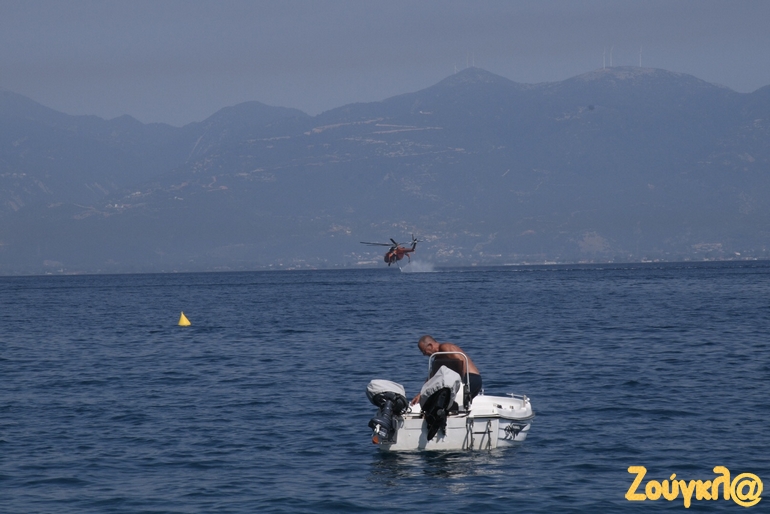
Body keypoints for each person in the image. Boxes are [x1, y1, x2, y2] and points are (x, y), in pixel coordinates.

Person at [410, 335, 482, 405]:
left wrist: (461, 383)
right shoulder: (438, 357)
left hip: (470, 378)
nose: (424, 354)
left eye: (424, 351)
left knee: (444, 396)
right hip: (467, 379)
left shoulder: (445, 348)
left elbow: (461, 361)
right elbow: (432, 376)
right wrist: (421, 393)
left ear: (430, 346)